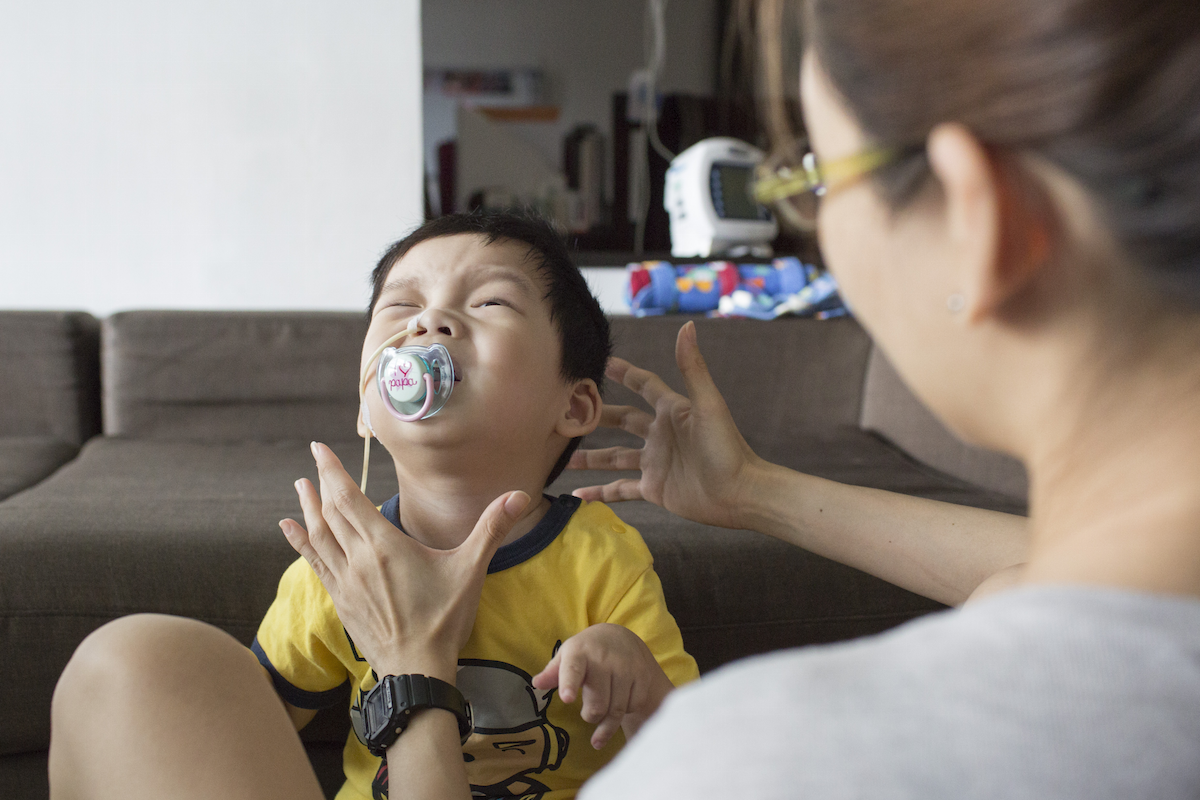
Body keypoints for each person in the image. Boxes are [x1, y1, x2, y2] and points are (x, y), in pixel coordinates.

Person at [571, 0, 1200, 796]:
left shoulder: (749, 765)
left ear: (978, 217)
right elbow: (1054, 568)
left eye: (817, 179)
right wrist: (754, 492)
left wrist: (416, 681)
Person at [49, 213, 697, 800]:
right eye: (403, 306)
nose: (427, 323)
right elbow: (245, 729)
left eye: (491, 301)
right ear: (367, 405)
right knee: (129, 657)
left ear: (575, 407)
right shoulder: (341, 566)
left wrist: (636, 678)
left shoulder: (599, 556)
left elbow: (697, 754)